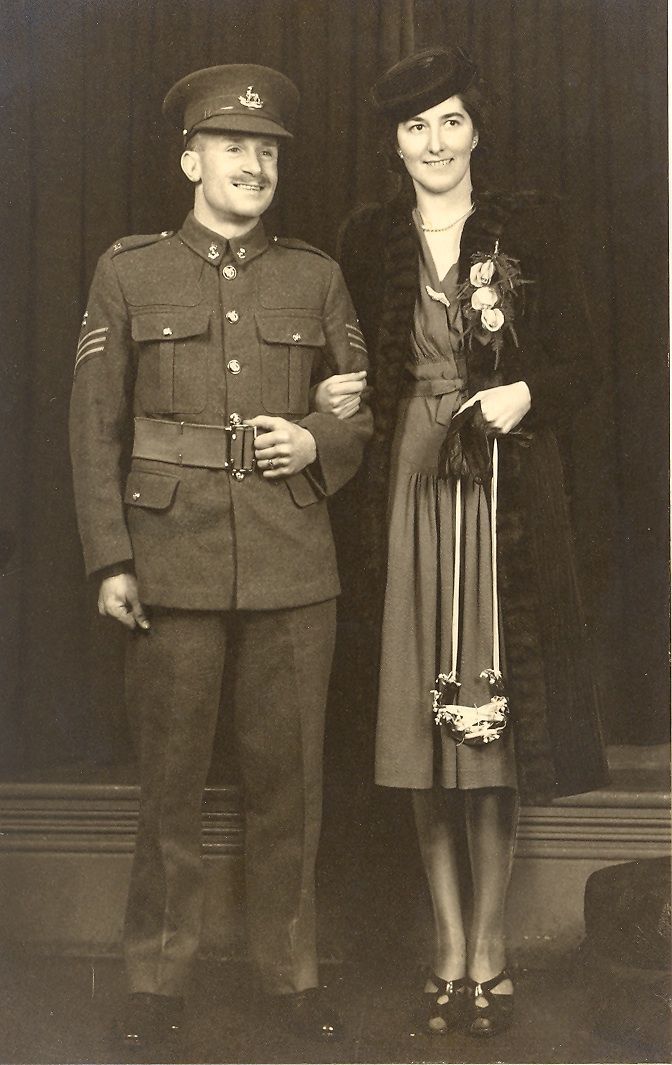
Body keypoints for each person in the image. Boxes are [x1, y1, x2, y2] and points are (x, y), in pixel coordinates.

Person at [69, 63, 371, 1050]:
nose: (254, 162)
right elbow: (92, 426)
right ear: (190, 158)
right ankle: (155, 983)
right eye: (234, 146)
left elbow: (360, 409)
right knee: (170, 783)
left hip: (292, 561)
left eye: (269, 149)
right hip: (170, 559)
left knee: (292, 782)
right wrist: (111, 558)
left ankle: (293, 974)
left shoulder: (317, 276)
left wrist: (319, 447)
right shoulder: (129, 271)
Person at [315, 46, 608, 1038]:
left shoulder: (531, 224)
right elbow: (344, 363)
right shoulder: (366, 238)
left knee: (490, 734)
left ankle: (490, 948)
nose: (433, 144)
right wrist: (331, 398)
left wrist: (524, 392)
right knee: (416, 728)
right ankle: (444, 944)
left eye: (448, 122)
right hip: (405, 490)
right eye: (412, 127)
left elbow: (582, 362)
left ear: (474, 127)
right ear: (392, 143)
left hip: (503, 493)